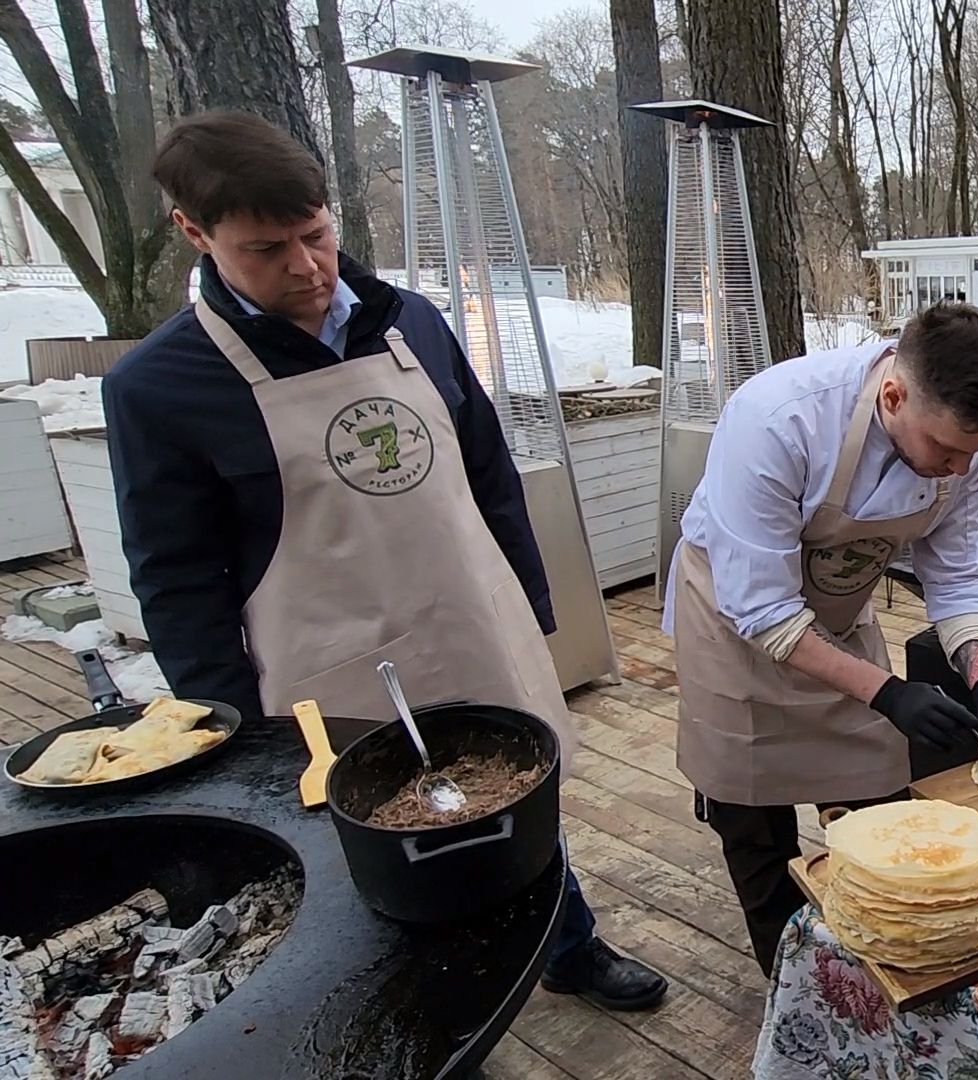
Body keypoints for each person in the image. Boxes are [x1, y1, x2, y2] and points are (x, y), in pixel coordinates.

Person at [102, 111, 667, 1011]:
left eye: (316, 234)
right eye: (265, 250)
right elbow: (173, 573)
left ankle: (569, 943)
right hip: (334, 676)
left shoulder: (413, 323)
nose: (305, 268)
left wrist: (529, 608)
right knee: (380, 861)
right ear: (194, 233)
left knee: (517, 808)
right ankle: (425, 1014)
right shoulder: (160, 387)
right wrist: (232, 721)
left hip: (468, 625)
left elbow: (489, 475)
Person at [666, 302, 978, 975]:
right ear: (894, 394)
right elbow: (764, 612)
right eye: (946, 449)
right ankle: (795, 987)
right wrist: (887, 692)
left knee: (882, 808)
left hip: (839, 619)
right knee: (755, 828)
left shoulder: (960, 450)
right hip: (733, 625)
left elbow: (957, 571)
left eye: (975, 452)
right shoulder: (776, 420)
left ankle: (884, 965)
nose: (958, 469)